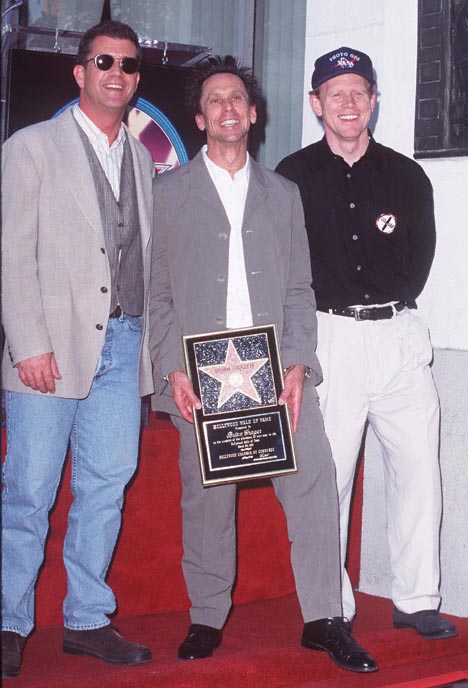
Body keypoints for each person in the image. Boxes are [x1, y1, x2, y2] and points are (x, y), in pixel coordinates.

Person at [149, 54, 378, 674]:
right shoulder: (167, 193)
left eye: (237, 100)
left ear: (253, 114)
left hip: (275, 368)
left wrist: (300, 363)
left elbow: (301, 288)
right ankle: (205, 614)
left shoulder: (283, 193)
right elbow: (158, 293)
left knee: (313, 487)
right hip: (201, 369)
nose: (228, 108)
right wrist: (172, 368)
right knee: (207, 500)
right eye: (215, 100)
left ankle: (325, 618)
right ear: (200, 118)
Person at [276, 47, 458, 640]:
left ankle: (416, 598)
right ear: (316, 104)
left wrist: (388, 308)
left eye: (359, 91)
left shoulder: (406, 175)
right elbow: (284, 264)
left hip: (399, 334)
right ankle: (331, 605)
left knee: (417, 472)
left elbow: (419, 259)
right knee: (330, 478)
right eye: (336, 93)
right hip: (331, 337)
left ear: (374, 101)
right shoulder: (292, 176)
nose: (348, 103)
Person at [1, 20, 155, 679]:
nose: (115, 72)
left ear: (136, 78)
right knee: (29, 491)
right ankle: (8, 620)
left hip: (124, 344)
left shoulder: (144, 158)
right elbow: (11, 253)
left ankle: (87, 619)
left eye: (126, 63)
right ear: (81, 72)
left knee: (105, 486)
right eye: (102, 61)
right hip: (50, 349)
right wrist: (26, 344)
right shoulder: (31, 146)